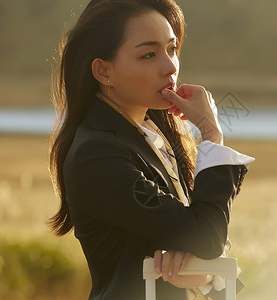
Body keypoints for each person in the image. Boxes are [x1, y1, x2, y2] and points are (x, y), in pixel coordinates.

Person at [48, 0, 255, 299]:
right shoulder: (96, 155)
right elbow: (206, 237)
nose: (170, 66)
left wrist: (206, 273)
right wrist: (210, 133)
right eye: (149, 54)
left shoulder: (156, 136)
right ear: (104, 70)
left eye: (171, 49)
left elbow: (205, 239)